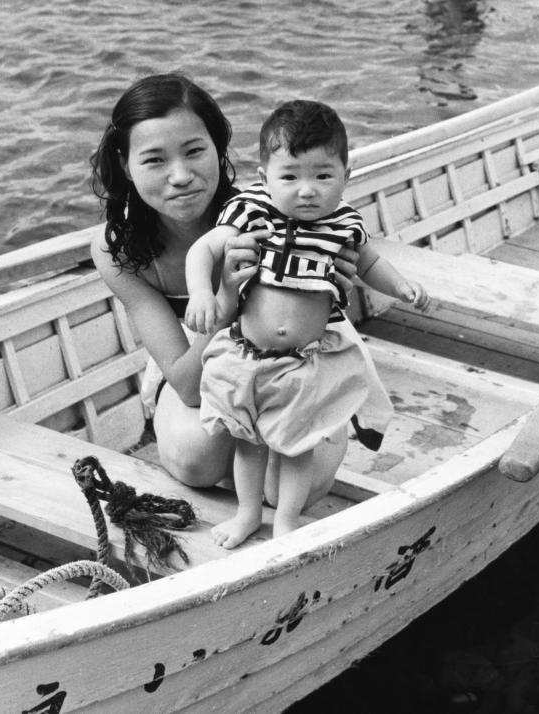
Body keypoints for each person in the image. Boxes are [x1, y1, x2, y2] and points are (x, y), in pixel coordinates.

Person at [89, 74, 362, 514]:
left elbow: (350, 241)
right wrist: (225, 302)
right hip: (199, 369)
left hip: (297, 365)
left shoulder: (265, 214)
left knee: (292, 490)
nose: (180, 177)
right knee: (196, 458)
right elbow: (187, 385)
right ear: (125, 165)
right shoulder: (116, 250)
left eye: (195, 151)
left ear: (218, 149)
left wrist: (339, 279)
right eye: (155, 160)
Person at [185, 99, 431, 548]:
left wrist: (402, 287)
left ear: (346, 176)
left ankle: (286, 521)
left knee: (297, 446)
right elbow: (203, 249)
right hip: (246, 355)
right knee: (248, 442)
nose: (307, 190)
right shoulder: (250, 213)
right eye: (290, 176)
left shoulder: (343, 225)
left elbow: (372, 263)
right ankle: (246, 514)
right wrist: (202, 292)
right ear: (265, 179)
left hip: (305, 362)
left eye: (323, 176)